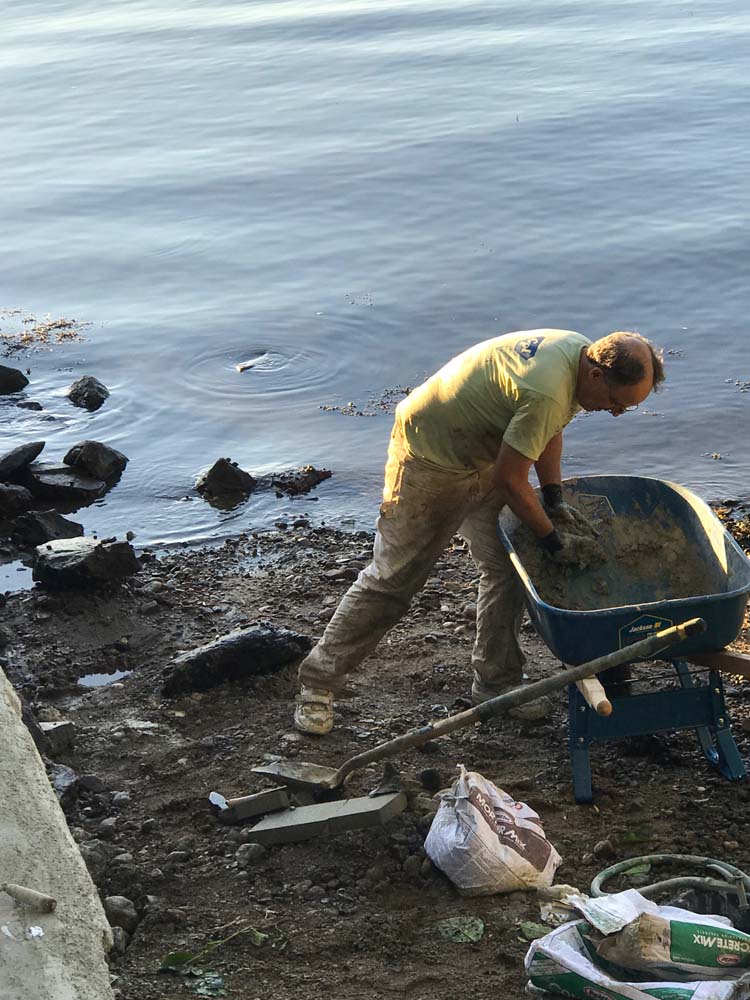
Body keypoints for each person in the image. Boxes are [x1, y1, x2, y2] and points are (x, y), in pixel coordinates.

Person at [294, 328, 665, 735]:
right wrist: (552, 539)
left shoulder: (577, 358)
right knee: (394, 581)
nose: (616, 413)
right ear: (596, 374)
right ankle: (318, 683)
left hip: (484, 454)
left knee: (508, 568)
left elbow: (548, 431)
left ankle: (495, 683)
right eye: (616, 403)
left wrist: (554, 497)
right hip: (429, 460)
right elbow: (511, 479)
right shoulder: (547, 389)